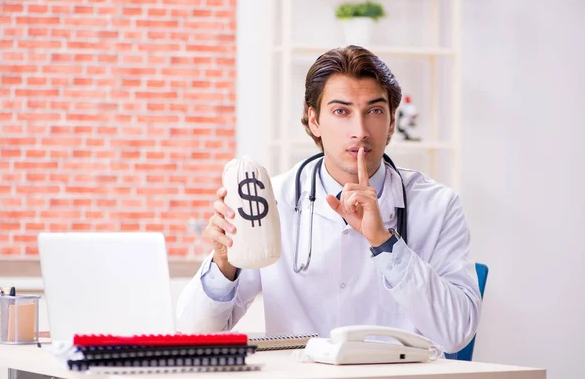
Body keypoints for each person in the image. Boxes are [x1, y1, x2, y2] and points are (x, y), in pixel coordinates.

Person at [176, 45, 481, 353]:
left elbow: (456, 332)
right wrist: (223, 263)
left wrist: (383, 242)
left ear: (391, 122)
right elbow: (193, 335)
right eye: (341, 111)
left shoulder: (438, 206)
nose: (359, 131)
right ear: (314, 121)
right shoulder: (272, 202)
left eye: (374, 111)